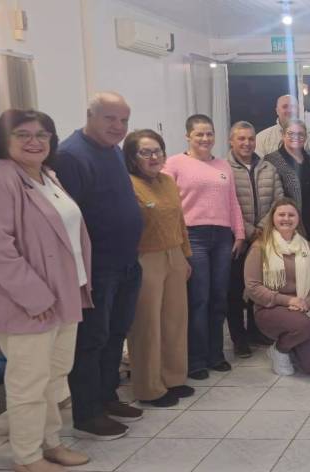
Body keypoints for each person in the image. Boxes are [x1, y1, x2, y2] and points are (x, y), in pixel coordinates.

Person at [0, 110, 93, 471]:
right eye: (22, 134)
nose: (34, 142)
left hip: (65, 293)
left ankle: (50, 443)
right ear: (3, 140)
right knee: (28, 382)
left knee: (54, 376)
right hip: (28, 303)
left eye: (42, 134)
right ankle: (27, 457)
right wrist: (35, 297)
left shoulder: (47, 177)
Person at [53, 92, 144, 439]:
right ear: (90, 115)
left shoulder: (114, 151)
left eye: (124, 120)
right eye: (110, 118)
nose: (118, 126)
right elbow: (68, 220)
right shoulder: (71, 156)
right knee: (91, 340)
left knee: (115, 334)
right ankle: (87, 413)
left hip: (126, 262)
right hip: (98, 269)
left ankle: (107, 397)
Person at [163, 114, 246, 380]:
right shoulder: (174, 164)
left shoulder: (223, 166)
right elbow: (168, 205)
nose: (205, 138)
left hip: (222, 237)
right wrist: (176, 239)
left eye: (209, 133)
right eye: (199, 134)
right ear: (188, 136)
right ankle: (196, 359)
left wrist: (239, 233)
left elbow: (232, 202)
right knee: (199, 299)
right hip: (192, 236)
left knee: (219, 297)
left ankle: (216, 354)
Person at [122, 129, 195, 408]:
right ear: (132, 157)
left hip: (174, 254)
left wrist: (185, 256)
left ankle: (173, 378)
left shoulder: (167, 181)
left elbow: (180, 221)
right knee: (147, 325)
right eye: (145, 152)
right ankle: (149, 387)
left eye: (157, 151)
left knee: (175, 321)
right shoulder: (128, 184)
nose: (153, 157)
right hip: (145, 258)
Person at [244, 198, 310, 376]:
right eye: (281, 214)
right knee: (301, 325)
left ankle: (294, 343)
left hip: (303, 308)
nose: (286, 219)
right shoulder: (260, 247)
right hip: (270, 308)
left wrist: (307, 302)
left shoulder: (308, 247)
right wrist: (288, 300)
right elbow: (252, 286)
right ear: (273, 218)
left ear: (298, 219)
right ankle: (280, 350)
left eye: (291, 215)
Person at [226, 121, 284, 358]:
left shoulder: (268, 167)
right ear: (231, 141)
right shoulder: (224, 169)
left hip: (264, 238)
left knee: (259, 287)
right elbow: (226, 206)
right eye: (241, 138)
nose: (247, 143)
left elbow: (278, 201)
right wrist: (248, 230)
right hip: (237, 239)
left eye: (250, 138)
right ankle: (239, 339)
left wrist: (262, 228)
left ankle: (255, 331)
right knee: (235, 290)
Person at [264, 119, 310, 244]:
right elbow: (267, 198)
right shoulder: (271, 161)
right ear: (283, 135)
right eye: (291, 133)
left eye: (301, 134)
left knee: (308, 256)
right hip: (285, 225)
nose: (296, 137)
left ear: (305, 137)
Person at [254, 94, 310, 161]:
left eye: (293, 107)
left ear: (298, 110)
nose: (290, 110)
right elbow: (257, 168)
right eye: (285, 107)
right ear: (277, 111)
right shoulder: (262, 139)